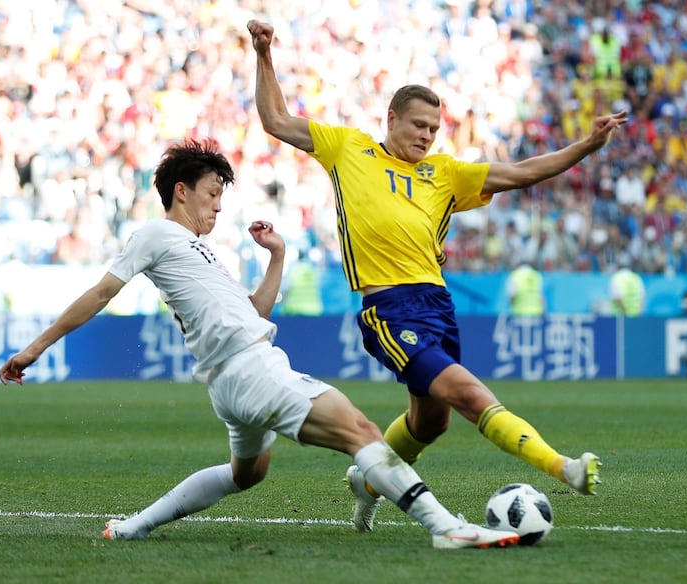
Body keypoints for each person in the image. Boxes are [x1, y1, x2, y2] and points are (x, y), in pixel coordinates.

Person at [0, 139, 519, 549]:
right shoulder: (156, 235)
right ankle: (446, 526)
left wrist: (276, 257)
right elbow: (101, 292)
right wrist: (37, 346)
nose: (218, 207)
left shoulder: (197, 252)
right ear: (182, 191)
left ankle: (135, 526)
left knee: (248, 473)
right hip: (250, 369)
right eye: (211, 194)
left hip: (232, 380)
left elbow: (253, 312)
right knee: (360, 430)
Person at [248, 20, 627, 532]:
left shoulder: (445, 173)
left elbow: (523, 171)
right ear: (392, 118)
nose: (426, 136)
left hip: (437, 306)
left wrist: (586, 146)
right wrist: (264, 52)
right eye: (418, 125)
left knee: (433, 420)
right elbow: (275, 118)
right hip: (389, 308)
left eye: (433, 129)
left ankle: (366, 480)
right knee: (468, 395)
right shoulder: (347, 149)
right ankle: (565, 468)